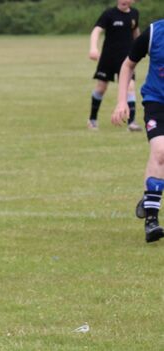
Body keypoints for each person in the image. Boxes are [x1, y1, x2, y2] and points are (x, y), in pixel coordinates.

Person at [111, 19, 164, 243]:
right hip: (157, 102)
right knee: (160, 151)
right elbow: (127, 65)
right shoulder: (154, 32)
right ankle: (152, 221)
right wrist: (122, 101)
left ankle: (149, 197)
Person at [88, 0, 141, 131]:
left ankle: (131, 122)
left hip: (126, 60)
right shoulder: (109, 14)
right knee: (101, 88)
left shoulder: (134, 14)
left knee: (130, 87)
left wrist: (142, 47)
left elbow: (136, 32)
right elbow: (96, 30)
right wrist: (93, 48)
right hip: (108, 58)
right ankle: (92, 119)